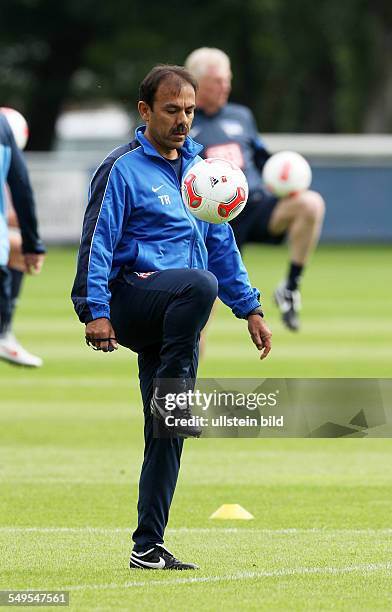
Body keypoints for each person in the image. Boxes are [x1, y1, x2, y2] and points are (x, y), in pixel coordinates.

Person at [71, 65, 272, 570]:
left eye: (188, 110)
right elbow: (96, 242)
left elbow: (221, 242)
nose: (183, 120)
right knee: (199, 283)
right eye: (171, 110)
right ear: (145, 111)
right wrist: (95, 311)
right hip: (132, 301)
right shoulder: (121, 168)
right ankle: (177, 379)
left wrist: (249, 307)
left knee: (168, 428)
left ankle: (148, 545)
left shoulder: (201, 170)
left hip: (178, 313)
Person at [185, 48, 326, 331]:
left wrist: (286, 179)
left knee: (310, 204)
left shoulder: (241, 116)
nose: (225, 87)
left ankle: (290, 287)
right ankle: (185, 375)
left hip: (253, 205)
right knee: (198, 317)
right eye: (217, 81)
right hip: (211, 220)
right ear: (197, 84)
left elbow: (263, 159)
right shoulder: (184, 119)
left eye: (228, 79)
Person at [0, 112, 46, 367]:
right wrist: (34, 244)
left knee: (15, 248)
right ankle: (4, 332)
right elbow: (22, 188)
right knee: (17, 247)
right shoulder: (4, 130)